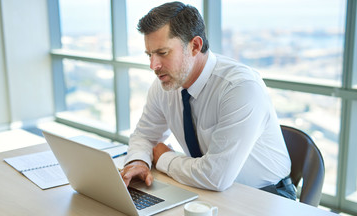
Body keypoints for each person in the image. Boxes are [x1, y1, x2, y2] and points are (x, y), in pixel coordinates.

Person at [121, 1, 296, 200]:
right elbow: (144, 136)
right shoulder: (166, 85)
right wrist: (138, 161)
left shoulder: (239, 88)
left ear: (195, 46)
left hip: (268, 197)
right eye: (149, 55)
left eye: (162, 53)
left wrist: (164, 158)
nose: (154, 65)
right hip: (208, 190)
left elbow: (216, 176)